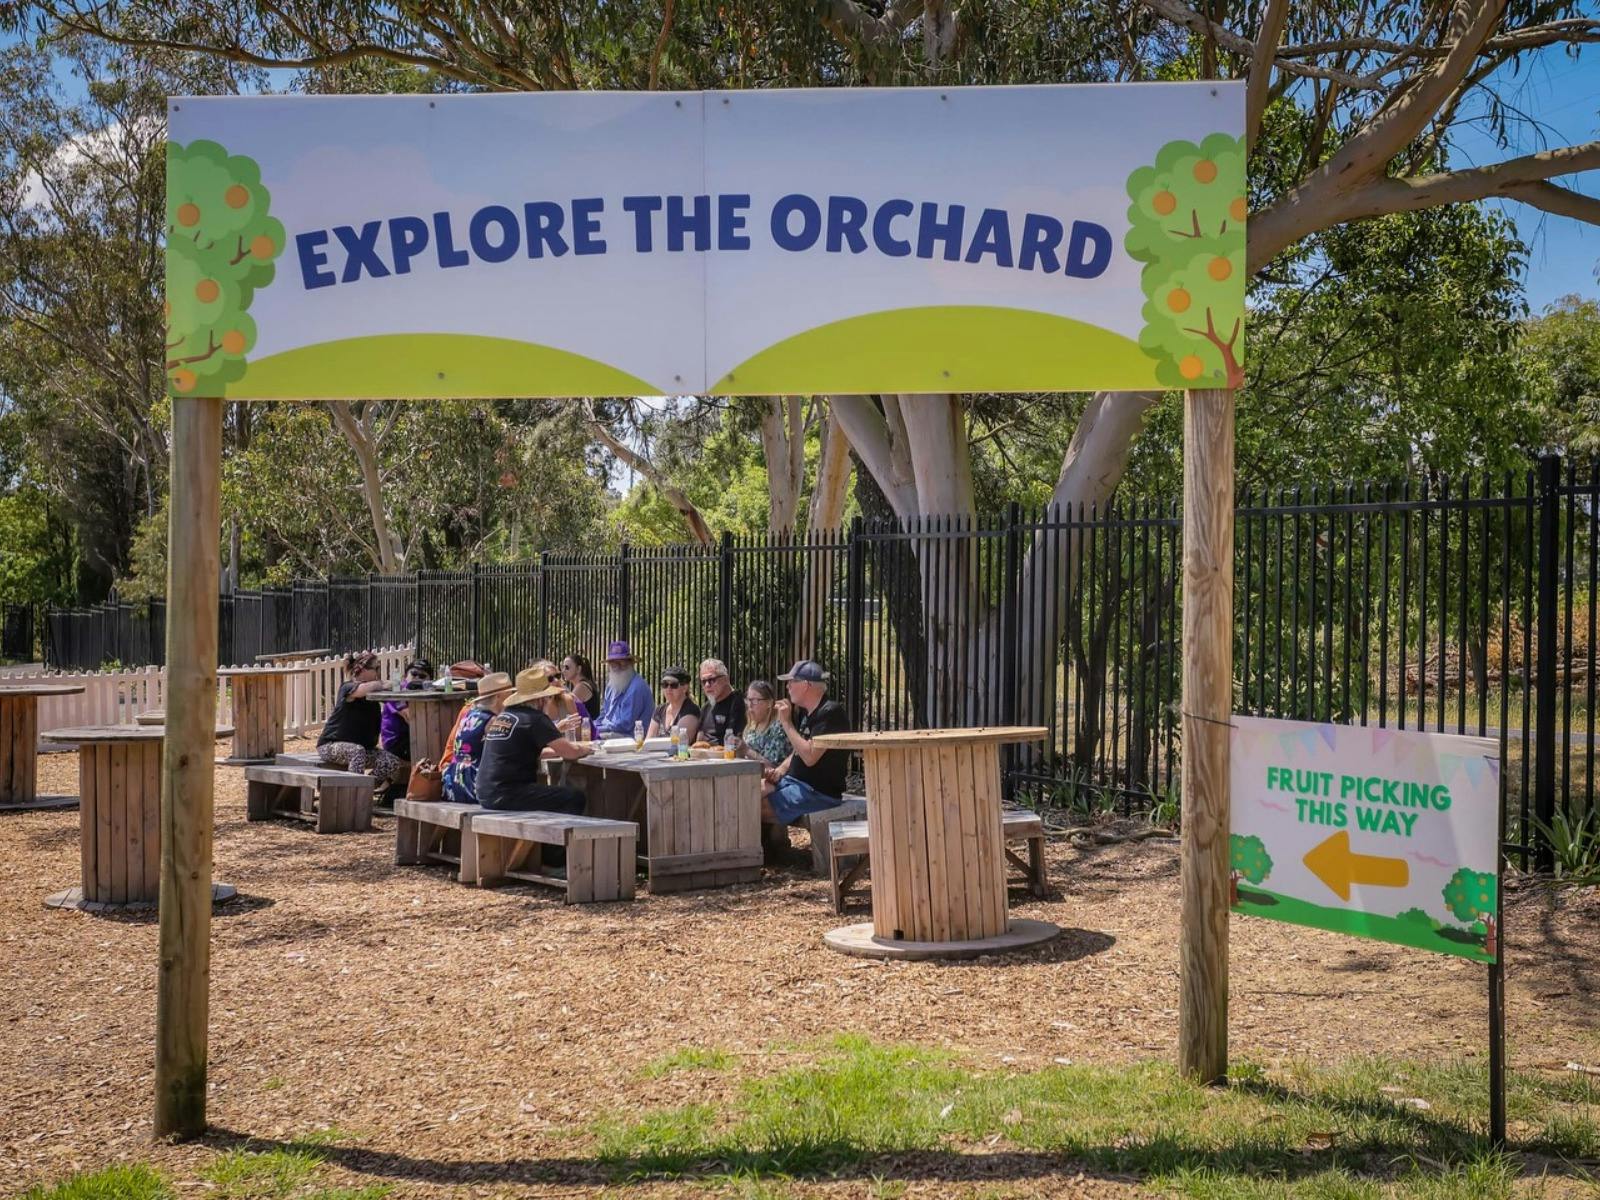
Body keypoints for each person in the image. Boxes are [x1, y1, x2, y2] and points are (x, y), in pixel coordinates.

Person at [474, 666, 594, 820]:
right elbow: (570, 753)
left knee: (551, 794)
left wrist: (560, 750)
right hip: (507, 793)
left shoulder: (506, 715)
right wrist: (587, 749)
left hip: (485, 792)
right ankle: (554, 836)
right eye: (547, 697)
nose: (548, 701)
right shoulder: (535, 719)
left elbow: (523, 753)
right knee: (574, 797)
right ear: (539, 699)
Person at [763, 660, 851, 852]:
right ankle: (771, 849)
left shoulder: (830, 713)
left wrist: (786, 724)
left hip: (817, 792)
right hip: (796, 784)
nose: (787, 687)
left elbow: (810, 756)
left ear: (806, 685)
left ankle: (764, 853)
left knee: (752, 806)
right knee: (749, 792)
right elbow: (799, 748)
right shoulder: (809, 712)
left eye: (791, 682)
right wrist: (780, 770)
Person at [317, 650, 408, 792]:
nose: (378, 672)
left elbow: (395, 702)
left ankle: (365, 790)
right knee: (357, 752)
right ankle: (352, 793)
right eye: (375, 668)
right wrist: (383, 684)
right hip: (330, 746)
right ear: (362, 669)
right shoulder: (348, 687)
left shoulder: (374, 691)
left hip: (364, 749)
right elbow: (363, 689)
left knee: (391, 761)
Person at [439, 670, 515, 804]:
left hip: (453, 782)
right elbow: (506, 752)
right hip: (473, 783)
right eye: (509, 694)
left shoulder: (469, 714)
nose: (512, 699)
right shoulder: (492, 721)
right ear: (498, 697)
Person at [593, 640, 655, 739]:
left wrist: (598, 728)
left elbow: (625, 724)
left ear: (630, 663)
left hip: (632, 738)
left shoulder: (637, 687)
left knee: (595, 738)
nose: (617, 666)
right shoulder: (611, 686)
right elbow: (604, 713)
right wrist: (593, 725)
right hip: (613, 732)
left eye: (621, 662)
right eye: (613, 662)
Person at [380, 657, 434, 766]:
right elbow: (410, 718)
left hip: (412, 737)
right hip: (396, 742)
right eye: (414, 674)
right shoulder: (397, 691)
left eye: (422, 676)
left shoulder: (427, 692)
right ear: (405, 676)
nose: (417, 678)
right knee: (431, 746)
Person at [739, 680, 791, 766]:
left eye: (754, 700)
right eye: (748, 700)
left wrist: (747, 751)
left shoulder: (778, 729)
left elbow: (773, 766)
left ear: (769, 703)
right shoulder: (751, 724)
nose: (750, 705)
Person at [697, 658, 746, 748]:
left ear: (726, 679)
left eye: (712, 680)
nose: (707, 685)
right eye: (703, 681)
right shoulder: (706, 707)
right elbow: (699, 739)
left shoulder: (738, 703)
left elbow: (735, 741)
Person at [647, 665, 701, 741]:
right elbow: (649, 740)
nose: (668, 689)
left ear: (685, 688)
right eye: (665, 684)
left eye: (673, 685)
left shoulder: (690, 711)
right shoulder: (660, 710)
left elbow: (678, 743)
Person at [561, 653, 600, 724]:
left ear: (578, 669)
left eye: (567, 667)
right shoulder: (583, 684)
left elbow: (564, 710)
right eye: (563, 667)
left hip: (588, 728)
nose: (563, 671)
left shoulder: (581, 687)